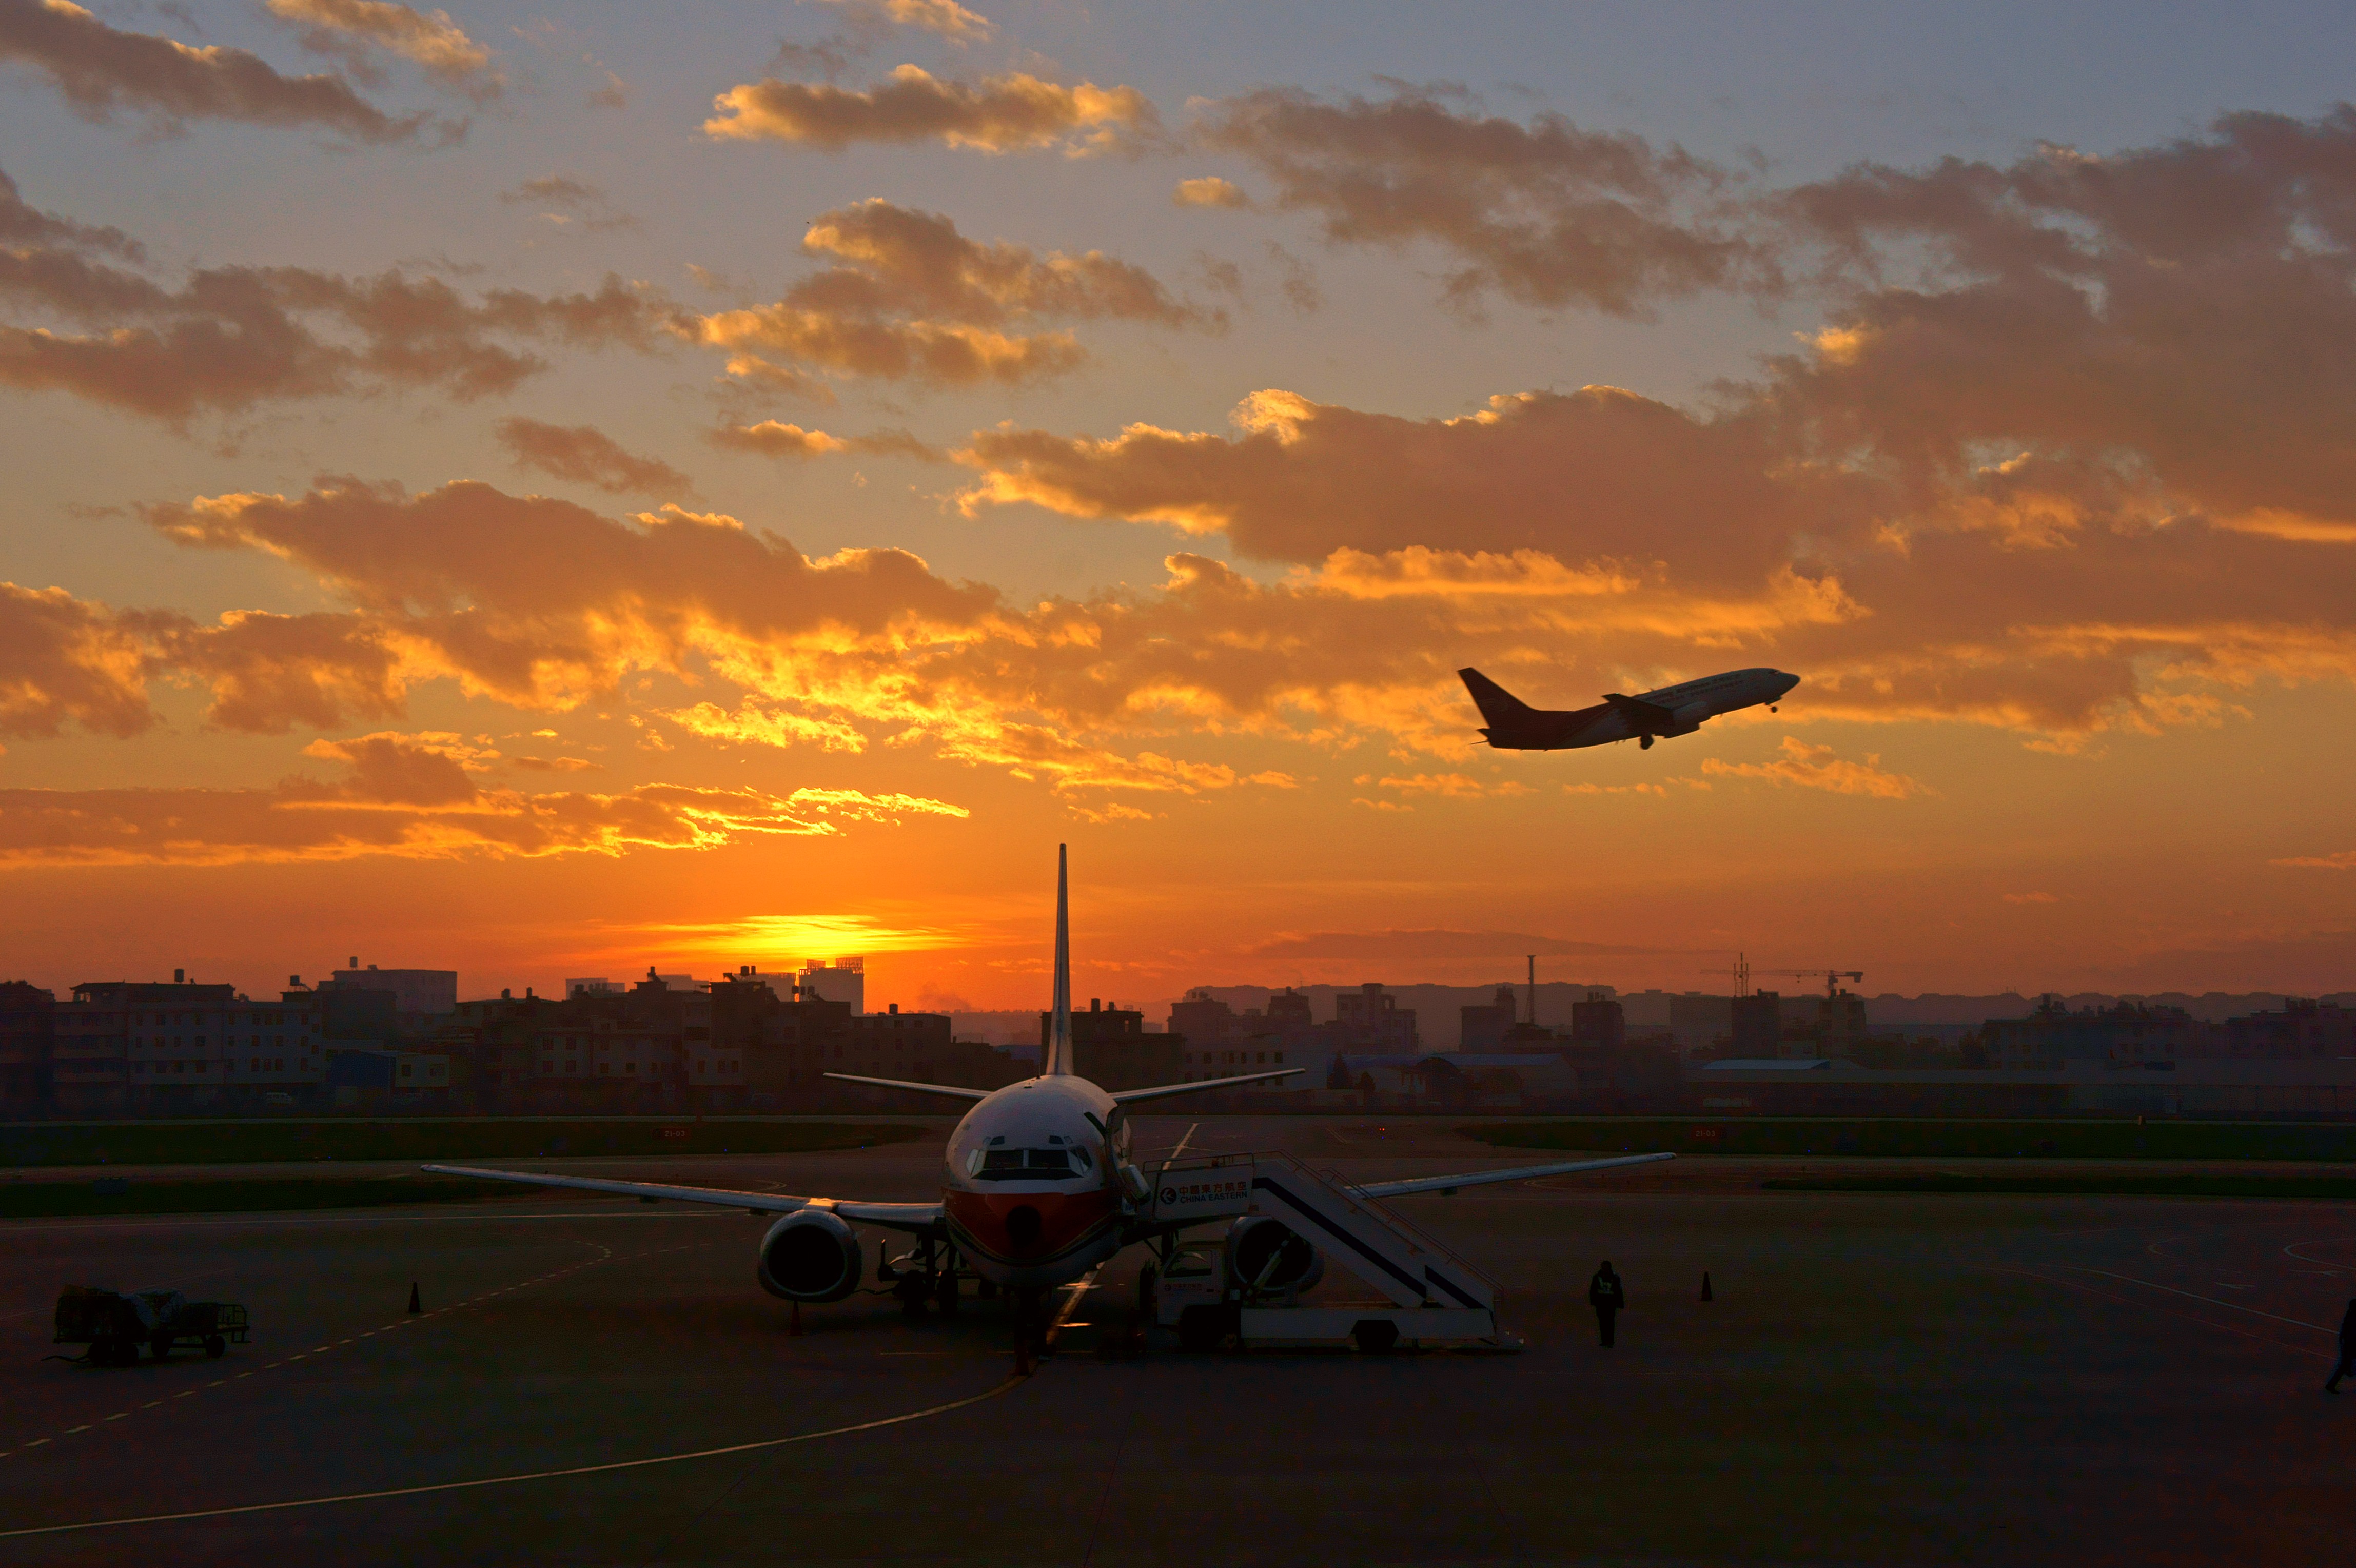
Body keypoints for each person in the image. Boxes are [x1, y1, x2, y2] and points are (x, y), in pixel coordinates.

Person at [1588, 1260, 1626, 1348]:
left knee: (1609, 1323)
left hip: (1610, 1304)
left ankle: (1609, 1341)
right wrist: (1594, 1302)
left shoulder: (1614, 1278)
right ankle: (1605, 1341)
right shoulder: (1597, 1277)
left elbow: (1618, 1291)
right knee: (1603, 1323)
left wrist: (1619, 1303)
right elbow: (1593, 1290)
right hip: (1602, 1304)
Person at [2327, 1298, 2356, 1394]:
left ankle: (2331, 1385)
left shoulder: (2350, 1315)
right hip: (2351, 1346)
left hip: (2348, 1346)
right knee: (2344, 1367)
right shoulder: (2352, 1319)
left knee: (2344, 1367)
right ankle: (2331, 1385)